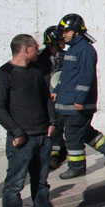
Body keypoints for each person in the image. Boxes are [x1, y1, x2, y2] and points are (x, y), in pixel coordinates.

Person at [0, 34, 67, 207]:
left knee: (41, 183)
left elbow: (46, 98)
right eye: (35, 47)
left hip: (42, 136)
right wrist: (16, 132)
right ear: (24, 49)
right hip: (21, 141)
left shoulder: (36, 72)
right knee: (14, 186)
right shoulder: (3, 75)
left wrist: (51, 123)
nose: (38, 49)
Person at [53, 14, 105, 180]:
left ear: (77, 31)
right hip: (68, 101)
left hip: (78, 104)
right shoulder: (73, 49)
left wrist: (80, 99)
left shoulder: (85, 50)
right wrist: (58, 90)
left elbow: (86, 77)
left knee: (73, 135)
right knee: (81, 132)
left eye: (67, 30)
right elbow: (67, 76)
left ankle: (76, 167)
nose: (64, 34)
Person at [32, 26, 67, 170]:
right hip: (45, 97)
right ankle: (50, 154)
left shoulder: (66, 56)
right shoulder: (40, 59)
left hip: (60, 98)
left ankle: (55, 155)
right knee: (50, 126)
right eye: (60, 41)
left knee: (58, 126)